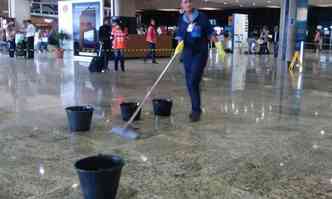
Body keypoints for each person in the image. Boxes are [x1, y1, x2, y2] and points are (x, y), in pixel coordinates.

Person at [176, 0, 217, 122]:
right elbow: (180, 34)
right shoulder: (182, 19)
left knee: (193, 79)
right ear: (182, 5)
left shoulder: (201, 17)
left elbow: (210, 32)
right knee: (190, 81)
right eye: (185, 2)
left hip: (200, 52)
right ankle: (196, 109)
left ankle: (196, 110)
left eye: (189, 1)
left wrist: (216, 41)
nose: (188, 4)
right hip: (187, 53)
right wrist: (179, 43)